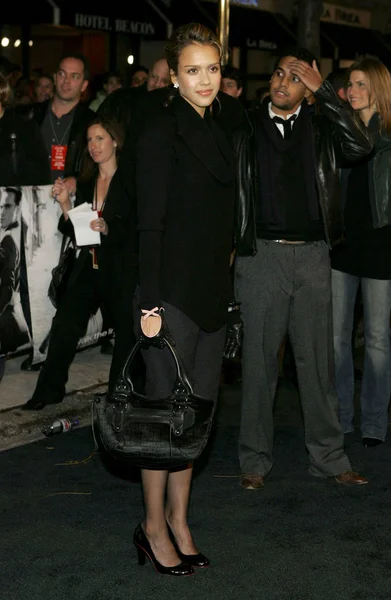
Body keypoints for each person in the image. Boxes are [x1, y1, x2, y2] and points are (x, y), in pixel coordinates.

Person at [234, 46, 373, 490]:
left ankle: (329, 458)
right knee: (258, 364)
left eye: (294, 78)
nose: (282, 82)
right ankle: (254, 461)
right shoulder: (246, 124)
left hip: (314, 256)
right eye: (278, 74)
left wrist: (325, 92)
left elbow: (362, 144)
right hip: (260, 256)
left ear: (307, 88)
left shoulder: (323, 126)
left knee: (317, 365)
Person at [133, 22, 236, 576]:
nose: (204, 79)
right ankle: (152, 527)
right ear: (173, 76)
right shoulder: (159, 131)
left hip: (211, 294)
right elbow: (149, 226)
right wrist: (149, 305)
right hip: (168, 297)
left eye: (212, 68)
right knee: (159, 421)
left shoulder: (222, 128)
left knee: (193, 419)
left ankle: (180, 519)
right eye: (192, 70)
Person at [23, 115, 138, 411]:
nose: (94, 146)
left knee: (127, 332)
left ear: (115, 140)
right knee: (64, 324)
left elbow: (138, 228)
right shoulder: (87, 183)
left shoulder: (131, 180)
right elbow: (82, 235)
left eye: (100, 138)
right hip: (89, 266)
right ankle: (48, 391)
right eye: (89, 140)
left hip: (120, 269)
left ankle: (120, 394)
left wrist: (109, 228)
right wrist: (65, 205)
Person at [18, 53, 95, 371]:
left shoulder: (91, 121)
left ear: (85, 84)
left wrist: (80, 178)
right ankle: (37, 343)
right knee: (28, 277)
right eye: (61, 73)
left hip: (70, 207)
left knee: (64, 278)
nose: (66, 80)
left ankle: (54, 343)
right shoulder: (30, 116)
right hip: (31, 205)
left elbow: (106, 164)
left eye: (74, 76)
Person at [330, 56, 391, 448]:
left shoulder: (387, 135)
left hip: (381, 247)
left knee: (378, 340)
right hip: (341, 246)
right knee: (335, 338)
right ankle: (340, 417)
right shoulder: (341, 130)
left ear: (377, 90)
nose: (351, 91)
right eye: (349, 84)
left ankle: (373, 421)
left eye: (360, 84)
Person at [0, 188, 31, 359]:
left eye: (7, 207)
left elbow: (7, 286)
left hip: (5, 314)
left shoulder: (9, 242)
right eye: (1, 207)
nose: (2, 212)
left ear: (17, 209)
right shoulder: (6, 235)